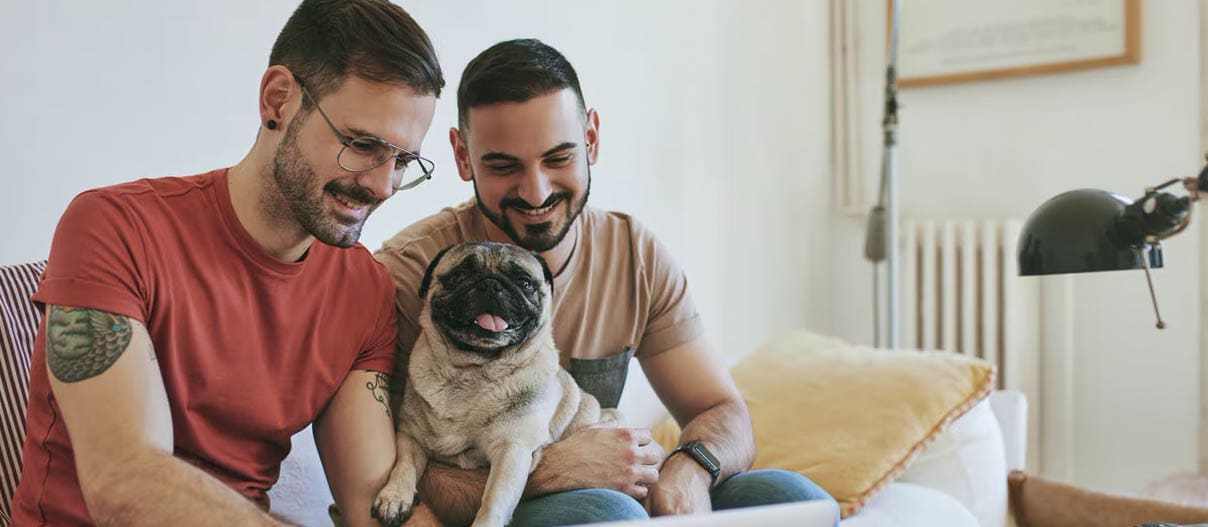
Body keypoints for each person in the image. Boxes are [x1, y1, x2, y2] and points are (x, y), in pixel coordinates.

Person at [10, 1, 443, 525]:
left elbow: (371, 505)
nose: (381, 185)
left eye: (403, 161)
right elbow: (124, 481)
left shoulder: (363, 289)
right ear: (278, 100)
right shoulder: (114, 226)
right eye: (363, 144)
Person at [374, 38, 838, 527]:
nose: (536, 191)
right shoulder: (410, 271)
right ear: (463, 156)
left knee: (790, 497)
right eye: (504, 165)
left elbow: (722, 409)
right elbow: (374, 471)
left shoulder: (634, 253)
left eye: (559, 158)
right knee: (609, 512)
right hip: (492, 502)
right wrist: (551, 470)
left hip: (611, 479)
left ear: (591, 138)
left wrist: (689, 472)